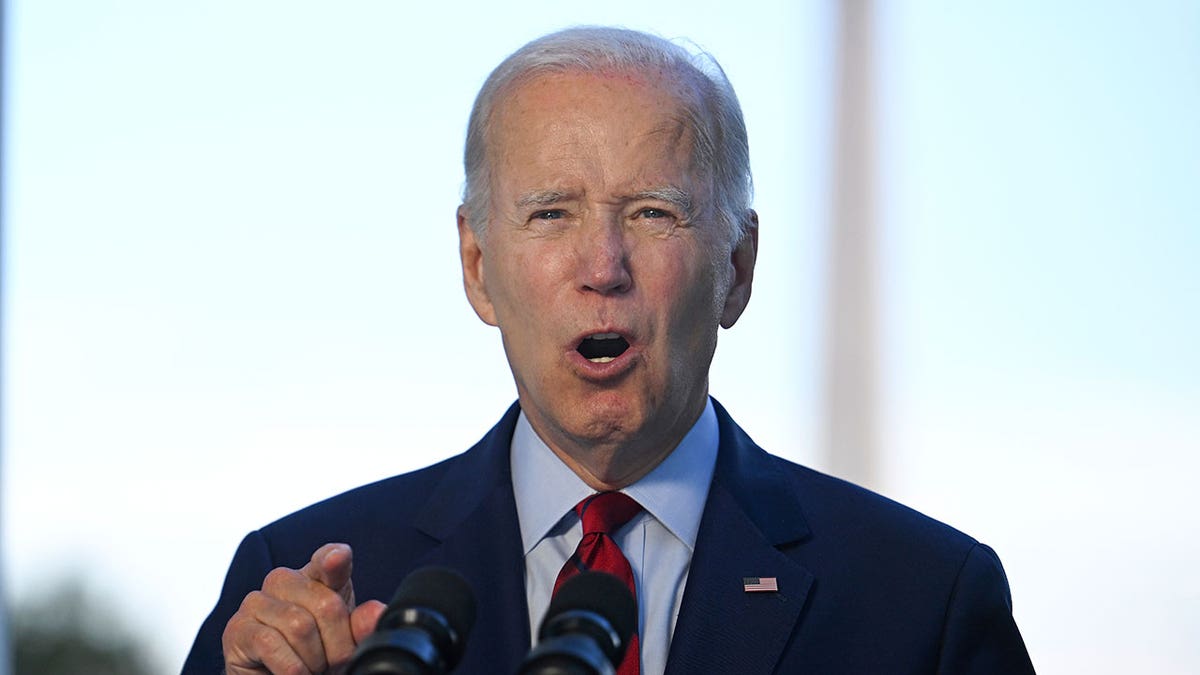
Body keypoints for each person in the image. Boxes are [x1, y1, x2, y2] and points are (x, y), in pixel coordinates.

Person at [183, 26, 1035, 675]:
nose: (603, 267)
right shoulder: (306, 588)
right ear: (478, 267)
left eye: (654, 213)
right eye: (552, 212)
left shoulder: (924, 601)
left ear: (736, 267)